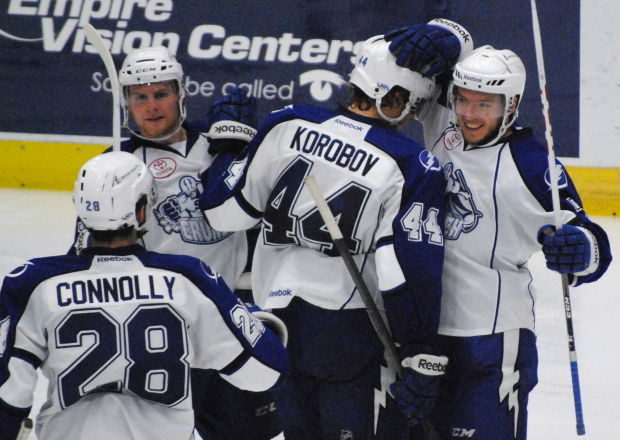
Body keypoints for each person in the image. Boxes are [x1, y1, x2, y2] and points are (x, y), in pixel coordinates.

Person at [202, 36, 448, 439]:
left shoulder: (287, 122)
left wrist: (230, 147)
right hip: (349, 336)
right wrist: (422, 353)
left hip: (275, 327)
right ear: (396, 94)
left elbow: (222, 212)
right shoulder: (410, 165)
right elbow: (403, 271)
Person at [384, 20, 613, 439]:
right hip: (424, 331)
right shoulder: (443, 122)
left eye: (484, 105)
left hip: (490, 339)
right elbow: (414, 51)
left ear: (510, 106)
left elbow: (590, 241)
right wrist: (448, 35)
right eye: (463, 100)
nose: (469, 114)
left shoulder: (531, 165)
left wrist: (580, 250)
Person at [71, 46, 283, 440]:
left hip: (226, 321)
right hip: (157, 331)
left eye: (161, 93)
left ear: (181, 94)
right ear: (127, 104)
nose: (151, 106)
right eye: (140, 96)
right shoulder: (116, 164)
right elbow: (86, 256)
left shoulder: (221, 144)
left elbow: (261, 222)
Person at [0, 152, 288, 440]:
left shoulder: (32, 283)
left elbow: (10, 393)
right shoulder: (189, 279)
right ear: (141, 211)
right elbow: (262, 372)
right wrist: (253, 323)